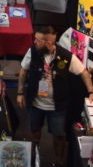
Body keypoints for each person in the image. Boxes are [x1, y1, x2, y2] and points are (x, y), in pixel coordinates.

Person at [18, 24, 72, 165]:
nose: (34, 42)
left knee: (59, 136)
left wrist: (91, 92)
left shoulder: (64, 56)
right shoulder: (33, 51)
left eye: (38, 40)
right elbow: (23, 71)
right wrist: (19, 92)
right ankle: (33, 156)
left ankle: (59, 161)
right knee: (34, 131)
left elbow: (83, 72)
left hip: (57, 107)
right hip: (36, 103)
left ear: (48, 42)